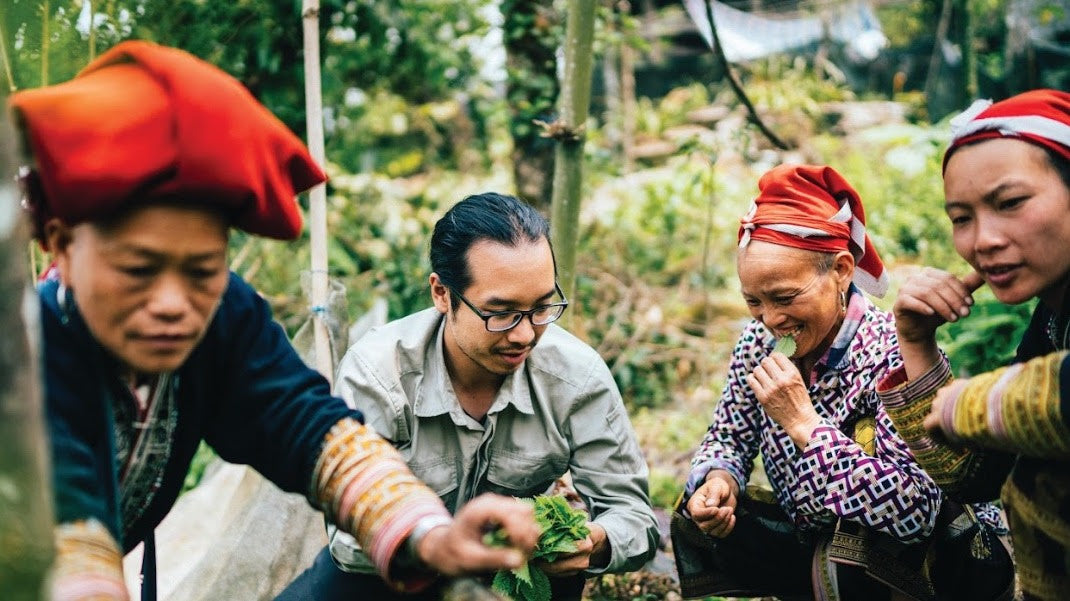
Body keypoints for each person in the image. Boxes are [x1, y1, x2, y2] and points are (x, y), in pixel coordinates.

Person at [8, 41, 540, 601]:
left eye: (202, 269)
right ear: (61, 245)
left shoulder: (224, 318)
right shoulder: (22, 349)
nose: (173, 301)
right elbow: (65, 533)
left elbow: (307, 427)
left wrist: (433, 534)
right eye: (138, 269)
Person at [276, 192, 659, 601]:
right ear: (442, 294)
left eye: (542, 307)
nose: (525, 334)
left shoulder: (575, 378)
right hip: (397, 573)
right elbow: (348, 544)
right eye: (502, 313)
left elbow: (635, 518)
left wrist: (593, 542)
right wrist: (437, 543)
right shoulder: (380, 374)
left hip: (517, 576)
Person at [677, 164, 1009, 600]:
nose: (771, 319)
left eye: (785, 297)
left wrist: (805, 427)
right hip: (814, 528)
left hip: (944, 555)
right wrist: (720, 478)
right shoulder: (757, 342)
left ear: (842, 270)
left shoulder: (895, 352)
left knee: (847, 551)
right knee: (698, 517)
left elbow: (916, 512)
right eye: (752, 301)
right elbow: (729, 436)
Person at [880, 89, 1070, 601]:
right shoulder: (1051, 325)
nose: (982, 240)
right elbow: (974, 480)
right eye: (962, 218)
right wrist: (916, 343)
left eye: (1009, 203)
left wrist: (971, 402)